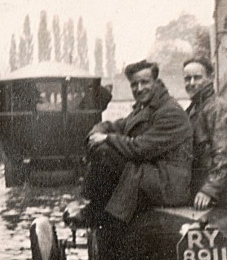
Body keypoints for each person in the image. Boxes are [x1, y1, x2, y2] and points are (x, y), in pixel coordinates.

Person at [67, 59, 192, 227]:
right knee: (105, 150)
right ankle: (97, 209)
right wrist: (97, 132)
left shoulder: (170, 111)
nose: (139, 89)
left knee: (106, 152)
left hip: (168, 183)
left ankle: (95, 211)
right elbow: (117, 125)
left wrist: (107, 138)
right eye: (134, 85)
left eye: (144, 82)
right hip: (153, 174)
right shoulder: (144, 108)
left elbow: (141, 148)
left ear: (156, 82)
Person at [182, 57, 227, 210]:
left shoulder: (220, 110)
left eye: (197, 77)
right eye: (187, 79)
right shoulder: (192, 111)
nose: (191, 83)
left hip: (216, 199)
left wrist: (209, 190)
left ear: (210, 78)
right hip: (199, 196)